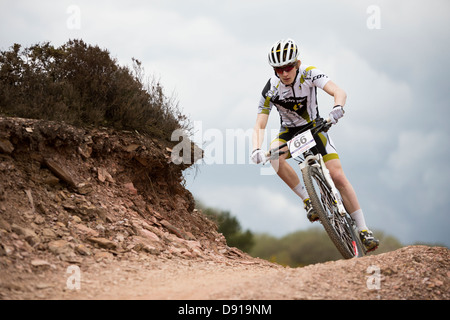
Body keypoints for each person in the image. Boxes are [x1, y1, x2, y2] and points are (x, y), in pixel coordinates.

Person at [251, 38, 379, 252]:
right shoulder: (270, 90)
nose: (284, 73)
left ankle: (364, 229)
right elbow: (260, 123)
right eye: (278, 69)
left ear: (297, 63)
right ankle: (308, 200)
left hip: (315, 128)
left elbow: (339, 91)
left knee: (337, 176)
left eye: (288, 67)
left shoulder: (309, 73)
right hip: (289, 134)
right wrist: (256, 148)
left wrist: (337, 107)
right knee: (274, 157)